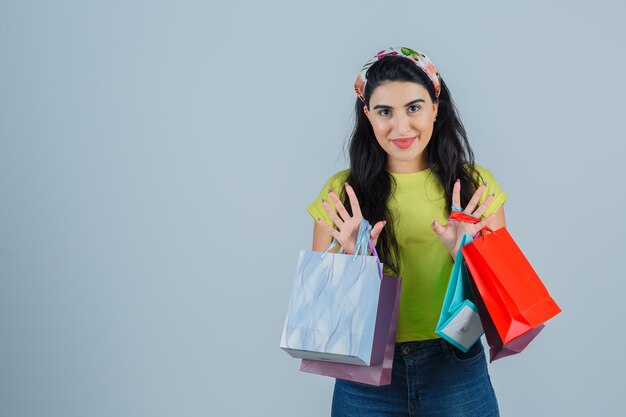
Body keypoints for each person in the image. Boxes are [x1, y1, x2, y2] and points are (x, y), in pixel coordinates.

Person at [306, 47, 507, 417]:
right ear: (367, 115)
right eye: (385, 112)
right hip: (364, 369)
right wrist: (352, 260)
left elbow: (503, 304)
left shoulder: (473, 187)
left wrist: (463, 251)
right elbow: (320, 313)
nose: (400, 127)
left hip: (454, 365)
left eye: (414, 108)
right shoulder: (342, 194)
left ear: (435, 108)